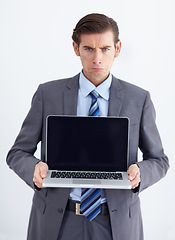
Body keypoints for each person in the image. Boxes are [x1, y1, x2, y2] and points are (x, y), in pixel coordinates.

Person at [6, 13, 169, 240]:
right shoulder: (47, 94)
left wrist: (141, 173)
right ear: (76, 48)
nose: (97, 59)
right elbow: (17, 153)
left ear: (118, 49)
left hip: (115, 223)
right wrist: (33, 168)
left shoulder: (138, 99)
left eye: (105, 49)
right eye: (88, 49)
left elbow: (159, 160)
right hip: (58, 220)